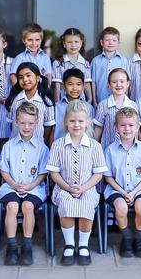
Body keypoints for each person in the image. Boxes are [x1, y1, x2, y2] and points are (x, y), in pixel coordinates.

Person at [46, 100, 107, 266]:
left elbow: (98, 173)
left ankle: (83, 245)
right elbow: (53, 172)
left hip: (87, 188)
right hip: (63, 188)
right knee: (66, 203)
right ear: (66, 121)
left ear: (87, 122)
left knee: (87, 203)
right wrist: (67, 187)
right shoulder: (58, 145)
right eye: (72, 121)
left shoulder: (94, 146)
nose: (76, 125)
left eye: (80, 121)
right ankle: (69, 244)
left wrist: (84, 187)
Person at [0, 102, 49, 266]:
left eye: (30, 123)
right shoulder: (8, 146)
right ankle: (12, 246)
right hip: (10, 185)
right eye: (23, 123)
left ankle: (27, 245)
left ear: (36, 123)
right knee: (12, 206)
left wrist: (31, 185)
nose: (26, 127)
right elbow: (4, 171)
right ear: (16, 122)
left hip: (33, 187)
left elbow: (42, 173)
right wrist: (13, 184)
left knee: (28, 207)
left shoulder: (42, 148)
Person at [104, 107, 141, 258]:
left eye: (131, 125)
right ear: (116, 127)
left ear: (138, 126)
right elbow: (108, 177)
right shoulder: (110, 150)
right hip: (117, 190)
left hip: (139, 189)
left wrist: (134, 192)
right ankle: (127, 238)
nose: (127, 129)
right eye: (122, 125)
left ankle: (138, 239)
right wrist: (123, 193)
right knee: (121, 208)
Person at [5, 62, 55, 145]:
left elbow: (48, 126)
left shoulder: (46, 101)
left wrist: (42, 142)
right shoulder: (14, 99)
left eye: (28, 75)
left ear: (38, 78)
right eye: (20, 77)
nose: (24, 79)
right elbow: (11, 123)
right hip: (15, 146)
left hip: (37, 147)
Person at [94, 68, 138, 150]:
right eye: (114, 82)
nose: (118, 85)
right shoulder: (103, 105)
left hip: (128, 150)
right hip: (108, 149)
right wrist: (94, 147)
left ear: (128, 83)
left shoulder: (133, 105)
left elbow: (136, 130)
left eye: (122, 81)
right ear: (109, 85)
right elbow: (98, 128)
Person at [52, 28, 93, 103]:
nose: (73, 45)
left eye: (76, 42)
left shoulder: (85, 63)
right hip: (64, 102)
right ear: (64, 44)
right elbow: (57, 85)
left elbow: (87, 83)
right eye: (69, 42)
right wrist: (57, 103)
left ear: (81, 43)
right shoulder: (58, 63)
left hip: (81, 103)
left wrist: (90, 100)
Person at [91, 26, 129, 105]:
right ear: (102, 42)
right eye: (107, 40)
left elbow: (127, 81)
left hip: (119, 100)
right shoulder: (96, 61)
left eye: (114, 40)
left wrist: (126, 100)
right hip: (101, 99)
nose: (110, 43)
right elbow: (93, 82)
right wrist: (94, 101)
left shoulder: (123, 61)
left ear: (118, 43)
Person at [53, 69, 95, 141]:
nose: (74, 88)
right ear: (63, 86)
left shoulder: (89, 108)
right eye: (70, 84)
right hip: (60, 147)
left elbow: (91, 130)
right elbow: (52, 130)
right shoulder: (56, 107)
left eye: (78, 84)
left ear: (83, 86)